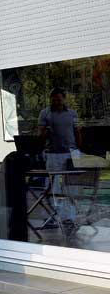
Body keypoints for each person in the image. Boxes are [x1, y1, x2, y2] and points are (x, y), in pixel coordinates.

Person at [38, 87, 81, 225]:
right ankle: (50, 217)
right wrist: (46, 131)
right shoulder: (45, 113)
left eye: (58, 99)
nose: (56, 101)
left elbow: (77, 132)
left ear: (63, 99)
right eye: (53, 99)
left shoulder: (72, 113)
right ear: (50, 99)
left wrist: (79, 148)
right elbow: (40, 135)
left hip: (71, 153)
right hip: (53, 154)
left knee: (71, 187)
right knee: (52, 186)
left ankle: (69, 218)